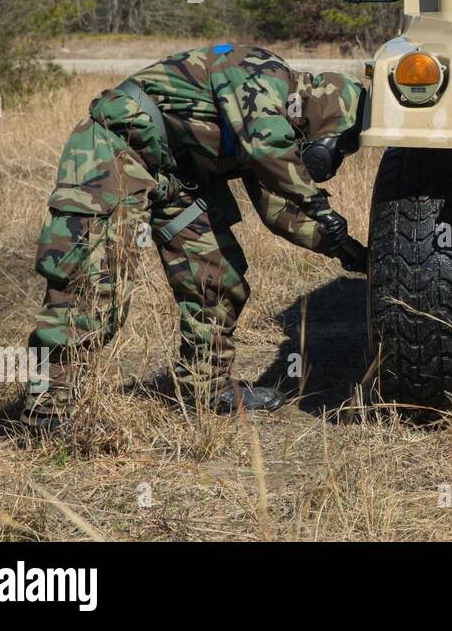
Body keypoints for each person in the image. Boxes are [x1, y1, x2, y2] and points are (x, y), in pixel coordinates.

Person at [22, 44, 368, 431]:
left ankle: (207, 388)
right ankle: (50, 408)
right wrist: (321, 205)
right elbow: (266, 150)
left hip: (174, 176)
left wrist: (348, 251)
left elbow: (282, 213)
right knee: (93, 280)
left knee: (219, 276)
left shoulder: (272, 124)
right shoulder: (264, 72)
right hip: (113, 152)